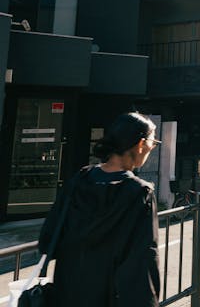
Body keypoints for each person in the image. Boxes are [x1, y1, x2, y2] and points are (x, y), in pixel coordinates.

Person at [38, 112, 161, 306]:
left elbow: (47, 240)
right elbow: (142, 261)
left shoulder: (80, 179)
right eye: (153, 143)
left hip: (67, 292)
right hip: (109, 297)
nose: (152, 148)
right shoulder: (140, 193)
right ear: (140, 144)